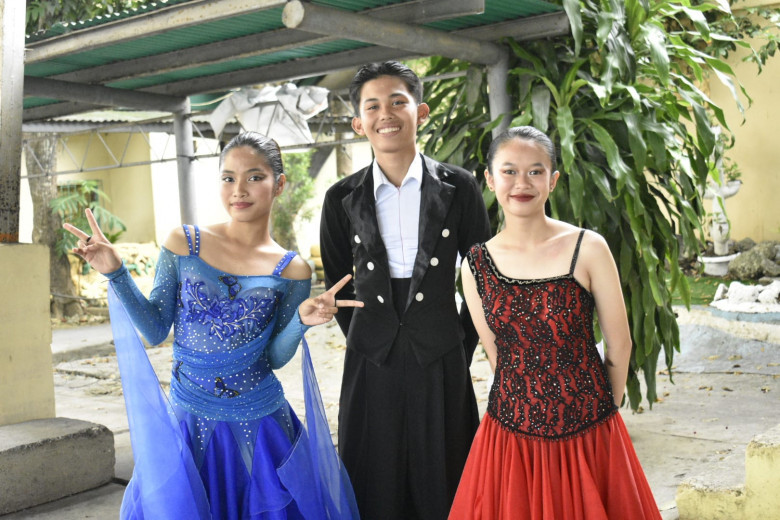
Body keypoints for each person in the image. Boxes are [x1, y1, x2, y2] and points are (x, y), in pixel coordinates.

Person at [64, 132, 361, 519]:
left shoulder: (293, 269)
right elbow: (155, 330)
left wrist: (300, 324)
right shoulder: (184, 242)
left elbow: (274, 357)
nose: (239, 190)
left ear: (279, 184)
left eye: (255, 177)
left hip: (261, 423)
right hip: (189, 420)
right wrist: (117, 273)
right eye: (228, 178)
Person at [448, 126, 661, 519]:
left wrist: (603, 416)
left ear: (553, 180)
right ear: (490, 180)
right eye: (509, 171)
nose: (522, 183)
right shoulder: (475, 264)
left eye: (535, 171)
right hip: (510, 439)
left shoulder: (588, 247)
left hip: (590, 429)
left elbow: (620, 344)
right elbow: (496, 355)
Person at [319, 61, 492, 520]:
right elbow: (338, 284)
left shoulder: (459, 187)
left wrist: (457, 342)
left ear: (421, 111)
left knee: (445, 474)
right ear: (359, 123)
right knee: (372, 474)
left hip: (440, 348)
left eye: (398, 101)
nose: (386, 114)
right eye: (372, 106)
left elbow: (483, 275)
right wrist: (368, 335)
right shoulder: (340, 197)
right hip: (370, 353)